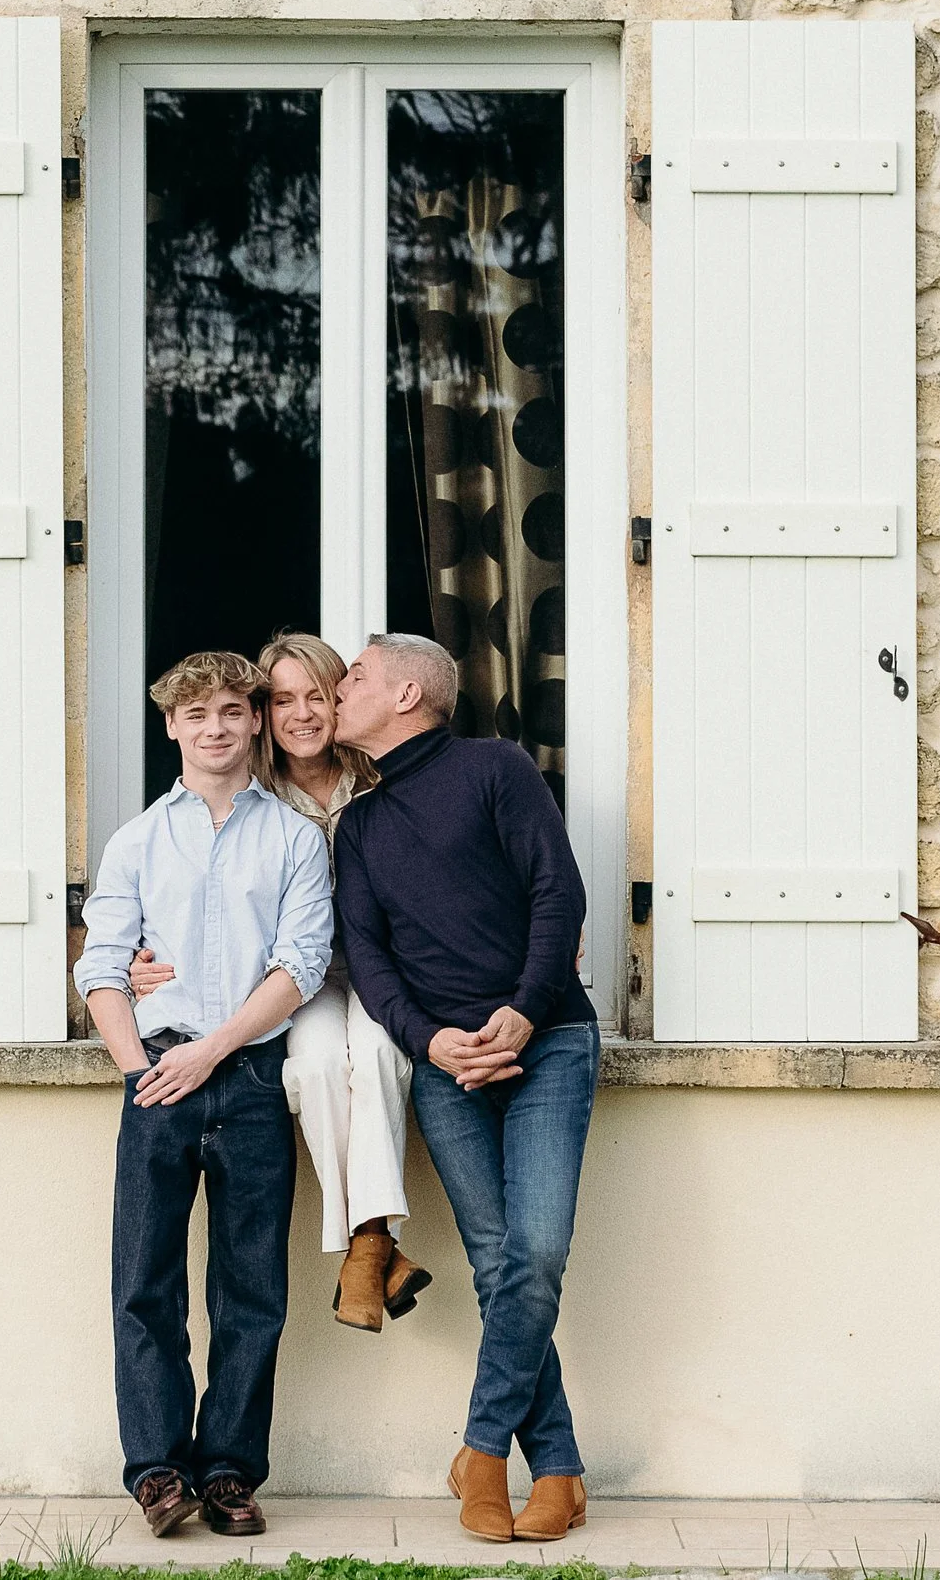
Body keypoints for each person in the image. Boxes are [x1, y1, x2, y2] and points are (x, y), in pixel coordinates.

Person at [330, 632, 599, 1547]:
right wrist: (429, 1041)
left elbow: (558, 893)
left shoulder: (496, 769)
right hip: (447, 1069)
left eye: (355, 676)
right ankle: (557, 1470)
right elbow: (368, 957)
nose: (340, 688)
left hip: (547, 1045)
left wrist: (522, 1012)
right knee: (497, 1262)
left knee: (536, 1252)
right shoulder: (359, 827)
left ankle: (481, 1451)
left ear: (408, 694)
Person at [73, 650, 334, 1541]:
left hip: (251, 1075)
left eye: (230, 711)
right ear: (172, 727)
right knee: (144, 1283)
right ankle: (156, 1472)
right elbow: (103, 968)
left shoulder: (293, 839)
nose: (215, 728)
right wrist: (138, 1069)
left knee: (251, 1290)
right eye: (196, 715)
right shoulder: (138, 841)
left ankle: (227, 1471)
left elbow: (300, 964)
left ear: (255, 720)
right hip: (157, 1076)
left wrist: (213, 1050)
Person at [126, 633, 430, 1332]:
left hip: (387, 969)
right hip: (297, 980)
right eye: (284, 699)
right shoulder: (252, 797)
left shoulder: (383, 781)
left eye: (316, 696)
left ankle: (367, 1246)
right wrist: (145, 960)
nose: (302, 714)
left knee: (377, 1055)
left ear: (341, 701)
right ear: (266, 712)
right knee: (317, 1065)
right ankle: (375, 1249)